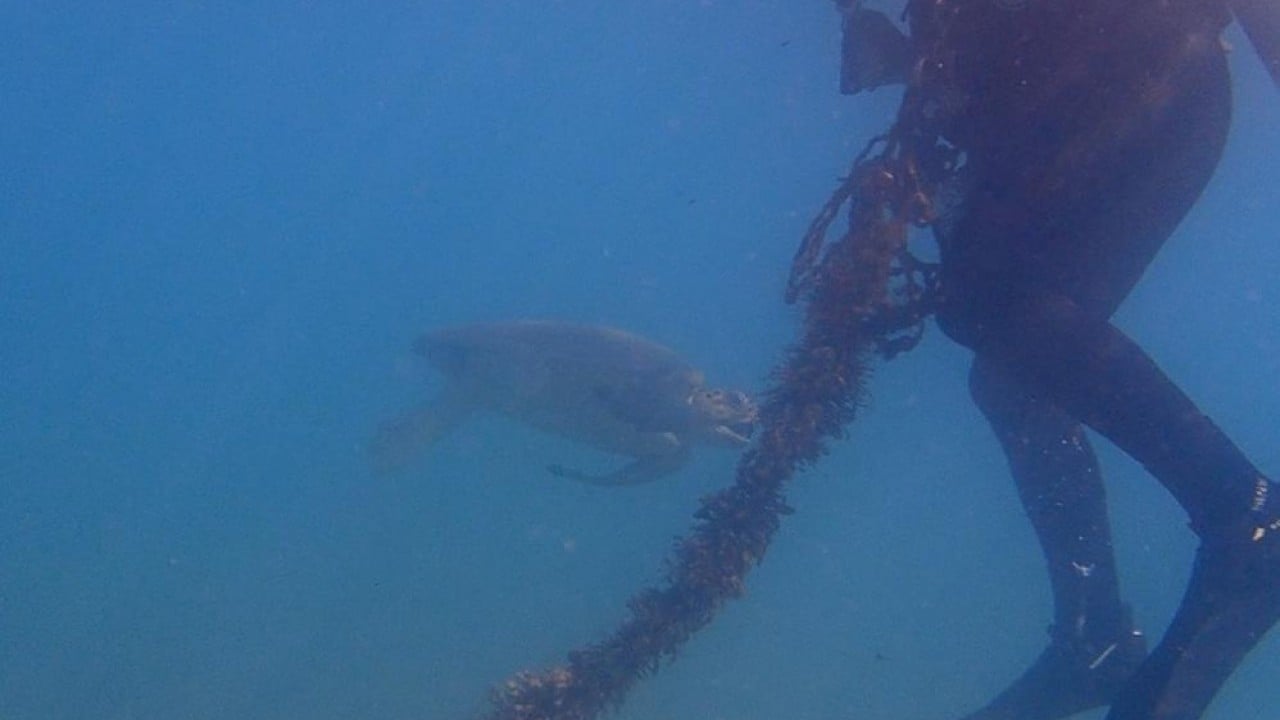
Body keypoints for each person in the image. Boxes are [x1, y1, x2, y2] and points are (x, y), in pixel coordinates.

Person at [837, 1, 1280, 718]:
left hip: (1143, 68)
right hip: (1086, 91)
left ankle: (1244, 521)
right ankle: (1094, 636)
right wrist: (914, 65)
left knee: (994, 303)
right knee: (1016, 369)